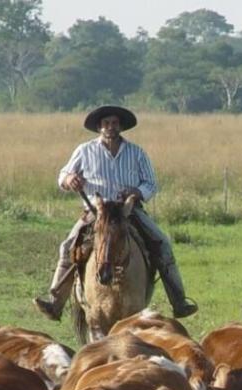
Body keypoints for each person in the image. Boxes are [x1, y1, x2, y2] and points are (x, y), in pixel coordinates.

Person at [34, 104, 197, 320]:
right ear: (99, 127)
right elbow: (63, 176)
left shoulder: (136, 153)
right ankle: (55, 302)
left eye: (114, 123)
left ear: (121, 127)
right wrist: (69, 179)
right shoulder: (84, 151)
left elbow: (151, 184)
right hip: (96, 212)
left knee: (163, 244)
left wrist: (137, 191)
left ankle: (179, 302)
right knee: (67, 247)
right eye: (106, 123)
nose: (110, 127)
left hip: (128, 211)